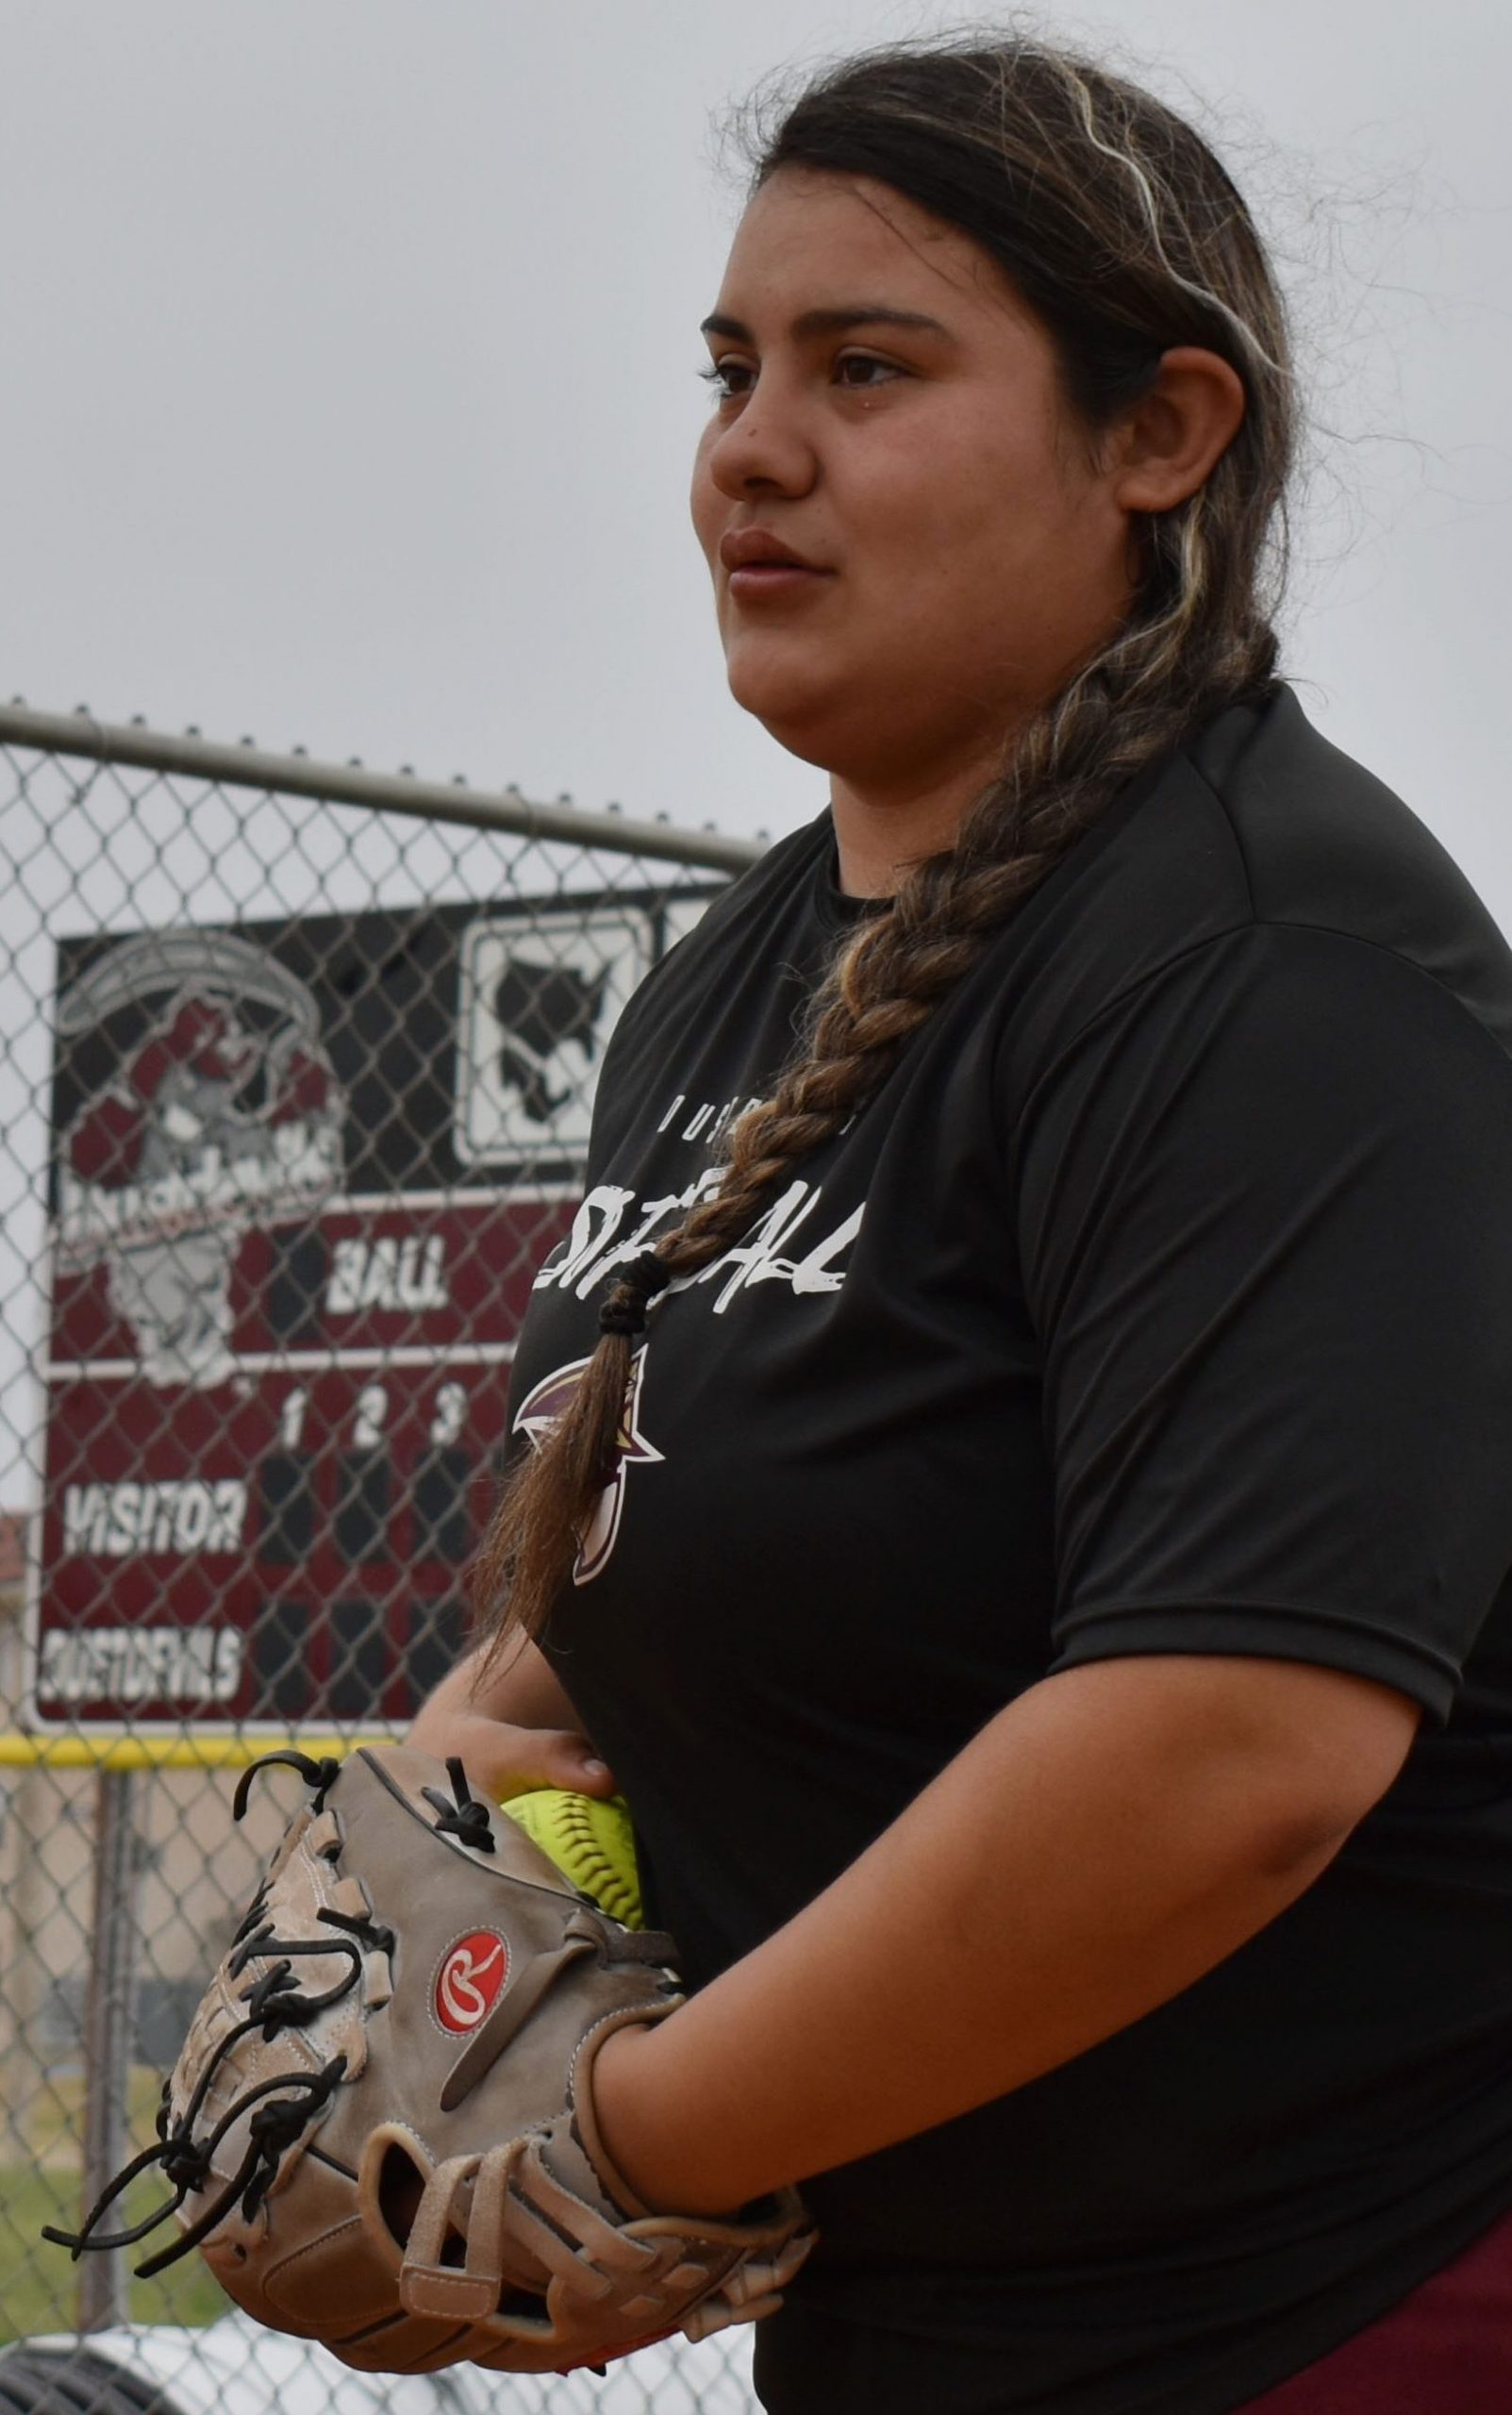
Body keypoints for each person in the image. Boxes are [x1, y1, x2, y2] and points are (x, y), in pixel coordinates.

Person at [411, 34, 1512, 2414]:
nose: (750, 448)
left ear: (1159, 435)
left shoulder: (1275, 957)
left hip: (1335, 2311)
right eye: (729, 369)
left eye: (867, 365)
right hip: (925, 2336)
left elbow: (1227, 1745)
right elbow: (644, 1591)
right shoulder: (725, 987)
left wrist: (618, 2139)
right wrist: (420, 1836)